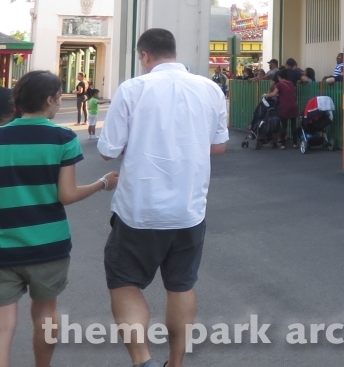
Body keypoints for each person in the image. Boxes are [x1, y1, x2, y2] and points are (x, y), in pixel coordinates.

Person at [97, 29, 227, 367]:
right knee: (181, 286)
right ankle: (176, 362)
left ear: (144, 56)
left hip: (138, 210)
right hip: (189, 210)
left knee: (125, 283)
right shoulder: (211, 89)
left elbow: (108, 151)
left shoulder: (132, 90)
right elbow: (219, 145)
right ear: (173, 51)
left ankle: (143, 360)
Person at [0, 70, 119, 367]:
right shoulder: (63, 138)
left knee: (3, 324)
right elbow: (67, 195)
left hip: (3, 247)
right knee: (45, 314)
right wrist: (102, 183)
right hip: (48, 245)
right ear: (51, 100)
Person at [264, 67, 300, 149]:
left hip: (284, 106)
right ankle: (295, 144)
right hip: (293, 106)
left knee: (284, 126)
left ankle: (283, 145)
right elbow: (291, 94)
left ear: (279, 77)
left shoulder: (279, 84)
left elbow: (273, 93)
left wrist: (266, 95)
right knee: (293, 125)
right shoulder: (291, 83)